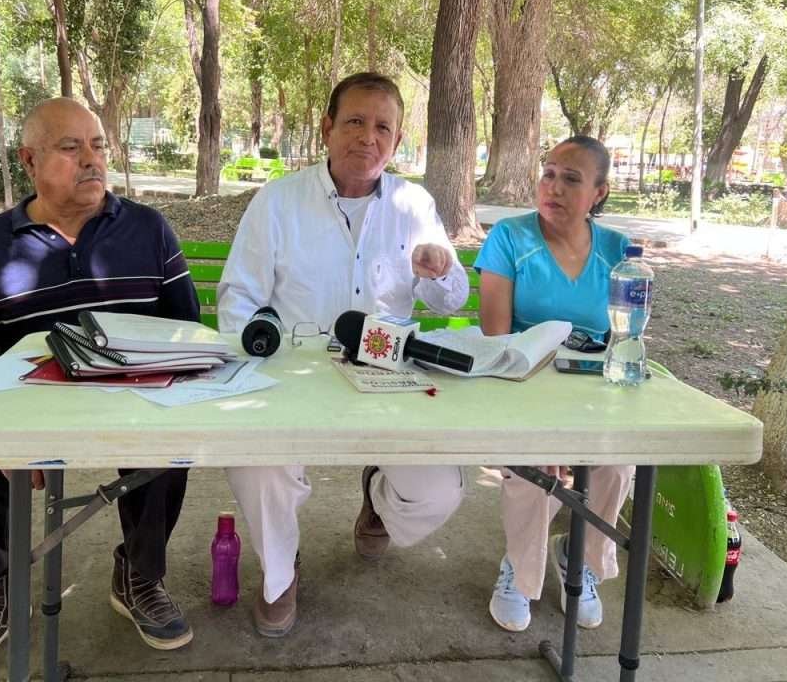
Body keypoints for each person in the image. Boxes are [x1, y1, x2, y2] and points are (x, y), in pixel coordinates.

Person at [0, 98, 200, 682]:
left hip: (134, 398)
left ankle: (139, 574)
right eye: (71, 148)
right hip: (29, 404)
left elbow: (187, 332)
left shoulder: (148, 229)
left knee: (171, 447)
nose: (92, 159)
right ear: (29, 160)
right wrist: (4, 439)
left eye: (98, 145)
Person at [217, 72, 470, 637]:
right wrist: (262, 347)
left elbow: (450, 298)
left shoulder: (414, 204)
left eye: (383, 127)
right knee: (256, 463)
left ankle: (379, 495)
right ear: (327, 127)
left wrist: (440, 271)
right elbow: (238, 298)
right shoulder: (278, 201)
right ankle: (280, 572)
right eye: (355, 121)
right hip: (294, 378)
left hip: (388, 378)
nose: (368, 137)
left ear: (397, 141)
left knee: (439, 491)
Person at [474, 135, 633, 633]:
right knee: (535, 463)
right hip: (522, 385)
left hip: (592, 394)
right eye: (548, 174)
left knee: (618, 462)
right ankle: (520, 572)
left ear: (598, 193)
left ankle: (579, 561)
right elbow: (498, 339)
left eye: (571, 179)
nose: (554, 187)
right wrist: (550, 420)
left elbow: (624, 339)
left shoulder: (619, 251)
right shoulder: (509, 238)